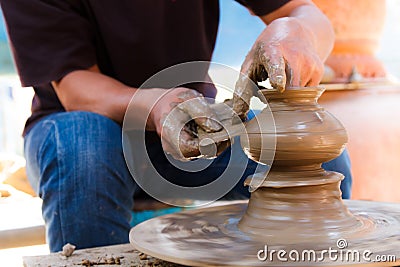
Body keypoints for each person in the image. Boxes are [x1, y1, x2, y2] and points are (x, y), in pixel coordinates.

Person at [0, 0, 352, 252]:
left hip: (193, 126)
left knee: (310, 154)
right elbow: (78, 90)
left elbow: (305, 11)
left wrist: (295, 31)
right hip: (84, 124)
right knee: (85, 147)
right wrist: (153, 105)